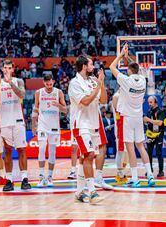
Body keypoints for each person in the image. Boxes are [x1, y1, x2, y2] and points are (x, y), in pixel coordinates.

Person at [109, 44, 155, 187]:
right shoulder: (142, 80)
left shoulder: (126, 80)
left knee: (130, 148)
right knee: (141, 147)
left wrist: (121, 55)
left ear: (129, 71)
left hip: (127, 118)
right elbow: (136, 68)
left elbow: (112, 67)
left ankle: (135, 178)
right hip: (138, 117)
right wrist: (128, 57)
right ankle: (150, 176)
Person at [69, 55, 107, 203]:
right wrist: (97, 87)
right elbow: (84, 101)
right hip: (80, 124)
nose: (93, 67)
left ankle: (79, 192)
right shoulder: (74, 83)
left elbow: (103, 100)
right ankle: (92, 191)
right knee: (89, 155)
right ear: (84, 66)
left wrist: (101, 83)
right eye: (91, 64)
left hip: (93, 124)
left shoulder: (93, 81)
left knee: (84, 157)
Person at [0, 60, 31, 191]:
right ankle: (9, 180)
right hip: (5, 121)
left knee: (21, 149)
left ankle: (24, 178)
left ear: (13, 70)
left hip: (18, 120)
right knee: (7, 150)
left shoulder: (18, 81)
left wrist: (10, 83)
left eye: (10, 68)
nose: (7, 70)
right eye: (5, 68)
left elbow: (22, 94)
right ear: (2, 69)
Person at [32, 74, 67, 187]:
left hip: (54, 126)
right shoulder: (39, 92)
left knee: (52, 152)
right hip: (42, 125)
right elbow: (35, 108)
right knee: (41, 149)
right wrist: (33, 124)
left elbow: (65, 110)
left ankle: (50, 177)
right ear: (43, 82)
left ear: (53, 82)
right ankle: (41, 177)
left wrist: (58, 105)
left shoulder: (59, 92)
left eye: (50, 84)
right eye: (47, 84)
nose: (48, 86)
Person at [143, 96, 166, 177]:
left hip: (159, 134)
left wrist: (148, 120)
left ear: (155, 102)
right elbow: (146, 122)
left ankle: (161, 171)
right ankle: (150, 170)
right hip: (150, 134)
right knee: (148, 153)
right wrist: (145, 121)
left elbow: (160, 123)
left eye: (151, 102)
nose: (149, 104)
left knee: (158, 152)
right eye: (148, 102)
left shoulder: (161, 111)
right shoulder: (148, 112)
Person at [112, 90, 129, 185]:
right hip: (120, 126)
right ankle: (119, 173)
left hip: (127, 126)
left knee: (127, 153)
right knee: (121, 150)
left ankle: (122, 173)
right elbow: (119, 111)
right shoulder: (116, 96)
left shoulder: (126, 95)